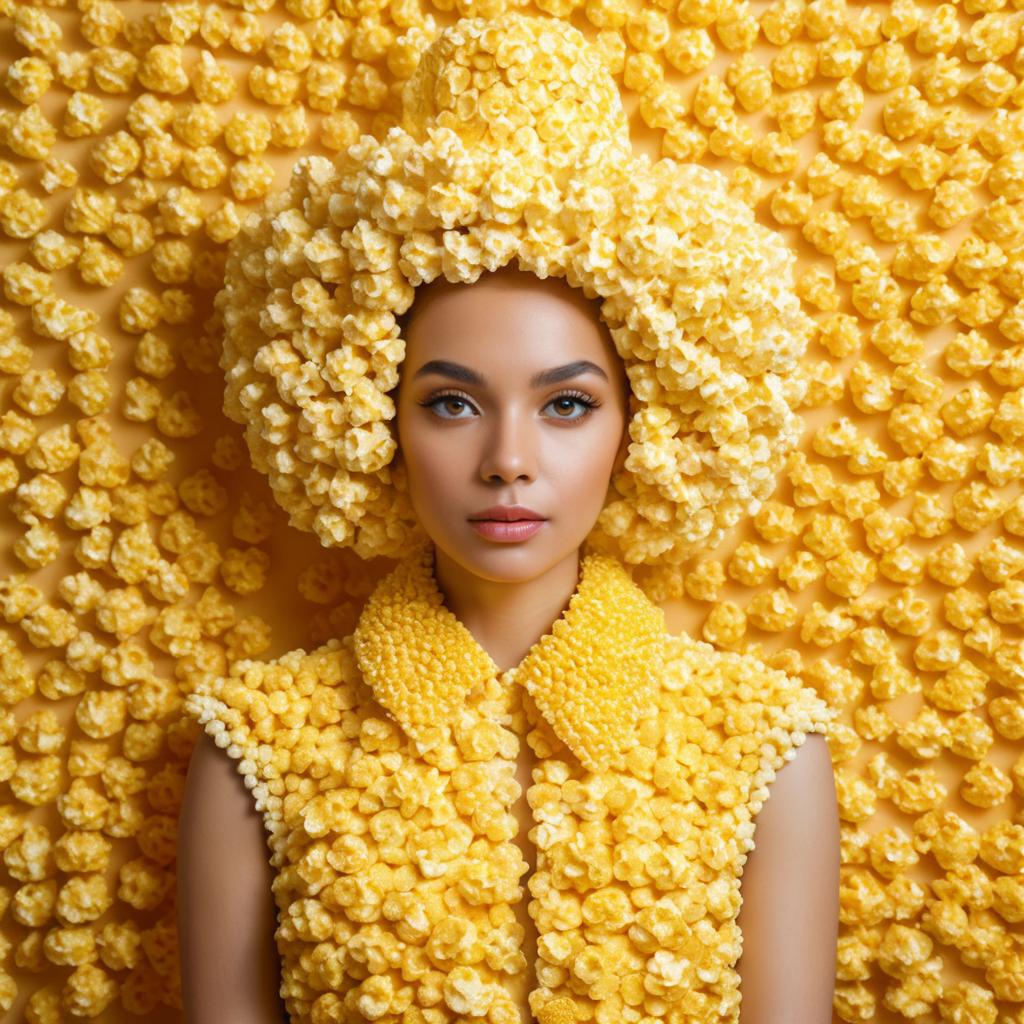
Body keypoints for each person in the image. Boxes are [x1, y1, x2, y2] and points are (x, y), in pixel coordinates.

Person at [178, 13, 840, 1024]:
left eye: (567, 403)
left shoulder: (764, 750)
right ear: (370, 416)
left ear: (643, 423)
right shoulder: (256, 751)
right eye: (450, 401)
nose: (508, 461)